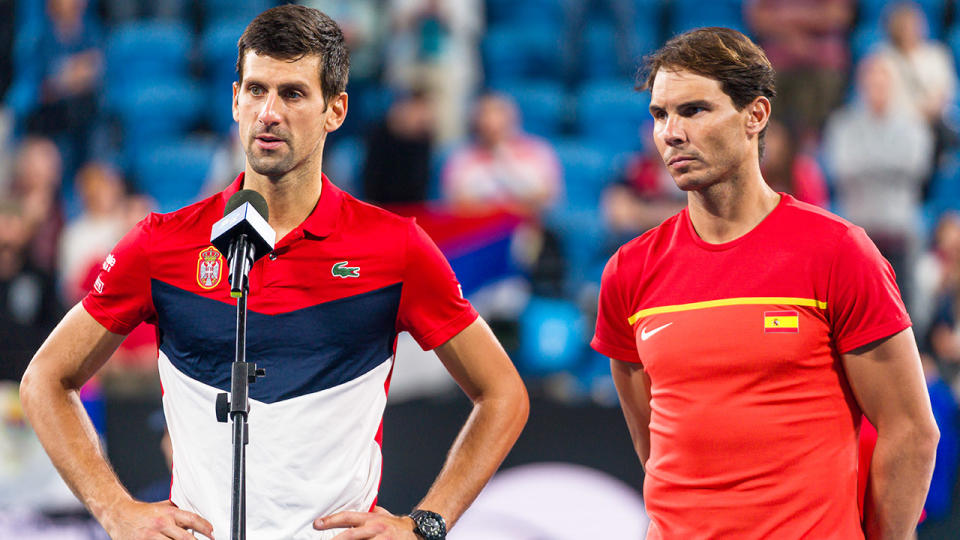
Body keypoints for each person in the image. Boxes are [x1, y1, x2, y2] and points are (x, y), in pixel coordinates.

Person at [19, 6, 528, 540]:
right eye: (257, 90)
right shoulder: (161, 244)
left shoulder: (394, 248)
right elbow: (45, 380)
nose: (269, 112)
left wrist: (426, 523)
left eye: (293, 93)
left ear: (336, 110)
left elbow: (503, 394)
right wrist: (113, 508)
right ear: (235, 98)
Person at [591, 27, 939, 538]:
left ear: (755, 115)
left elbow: (911, 433)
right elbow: (655, 447)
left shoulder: (839, 252)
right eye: (660, 115)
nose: (670, 133)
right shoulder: (629, 271)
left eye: (694, 110)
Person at [822, 54, 932, 309]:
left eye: (882, 84)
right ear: (860, 86)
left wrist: (867, 162)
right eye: (871, 84)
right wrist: (889, 164)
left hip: (900, 229)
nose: (877, 90)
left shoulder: (913, 125)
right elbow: (841, 168)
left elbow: (916, 166)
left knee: (905, 305)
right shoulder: (842, 125)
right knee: (858, 304)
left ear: (893, 86)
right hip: (860, 228)